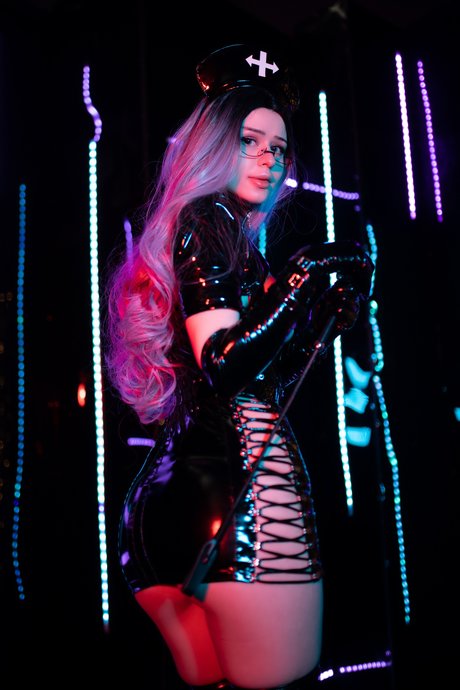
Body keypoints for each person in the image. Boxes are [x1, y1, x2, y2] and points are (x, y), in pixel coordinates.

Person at [105, 43, 374, 690]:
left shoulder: (221, 236)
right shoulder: (210, 219)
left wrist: (318, 309)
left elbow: (260, 372)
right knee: (275, 680)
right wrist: (307, 275)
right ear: (212, 146)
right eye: (250, 141)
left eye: (279, 148)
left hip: (168, 513)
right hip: (243, 515)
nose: (270, 159)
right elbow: (225, 366)